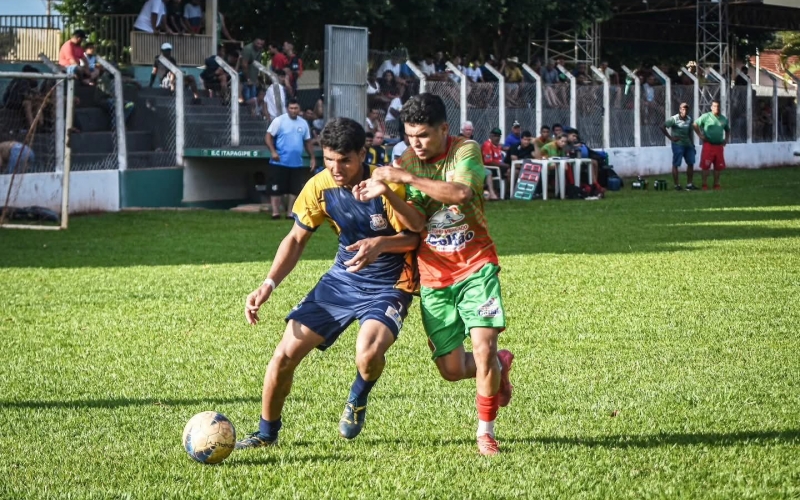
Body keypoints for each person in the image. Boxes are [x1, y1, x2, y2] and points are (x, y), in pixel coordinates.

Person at [236, 117, 419, 449]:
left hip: (390, 282)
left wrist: (379, 244)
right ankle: (266, 435)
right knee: (283, 356)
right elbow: (295, 240)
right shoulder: (320, 186)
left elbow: (414, 237)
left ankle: (358, 395)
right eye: (329, 159)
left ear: (362, 154)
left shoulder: (385, 184)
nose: (336, 168)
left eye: (344, 160)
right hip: (343, 279)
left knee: (368, 354)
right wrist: (268, 284)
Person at [356, 93, 514, 456]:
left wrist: (405, 176)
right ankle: (499, 365)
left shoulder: (465, 151)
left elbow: (459, 193)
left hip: (476, 265)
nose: (416, 144)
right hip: (434, 275)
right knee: (452, 369)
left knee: (482, 346)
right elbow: (417, 223)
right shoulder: (408, 160)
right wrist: (390, 193)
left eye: (424, 136)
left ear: (444, 129)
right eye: (411, 137)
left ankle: (485, 433)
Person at [265, 98, 317, 219]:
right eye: (291, 108)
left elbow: (307, 142)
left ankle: (290, 213)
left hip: (296, 163)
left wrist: (312, 158)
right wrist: (273, 152)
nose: (293, 111)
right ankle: (275, 213)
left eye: (296, 108)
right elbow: (268, 137)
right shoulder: (279, 121)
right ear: (287, 109)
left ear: (299, 110)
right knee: (275, 188)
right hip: (279, 162)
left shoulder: (303, 123)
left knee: (294, 190)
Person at [693, 100, 730, 190]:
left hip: (719, 146)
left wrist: (726, 139)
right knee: (706, 166)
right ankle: (704, 184)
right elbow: (695, 124)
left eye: (718, 106)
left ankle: (716, 184)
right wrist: (700, 135)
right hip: (708, 145)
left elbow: (727, 130)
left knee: (718, 166)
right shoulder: (706, 117)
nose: (716, 108)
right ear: (711, 107)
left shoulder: (723, 119)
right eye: (714, 106)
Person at [660, 102, 697, 191]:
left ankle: (689, 184)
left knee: (691, 163)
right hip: (678, 145)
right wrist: (671, 138)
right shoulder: (674, 119)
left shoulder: (689, 119)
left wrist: (692, 144)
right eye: (683, 109)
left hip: (688, 144)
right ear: (680, 110)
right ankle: (677, 185)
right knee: (676, 164)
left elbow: (690, 132)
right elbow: (662, 126)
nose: (685, 111)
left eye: (686, 109)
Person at [482, 127, 508, 200]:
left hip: (499, 167)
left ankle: (507, 193)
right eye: (495, 136)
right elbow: (488, 161)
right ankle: (503, 193)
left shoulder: (498, 146)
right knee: (509, 171)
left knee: (512, 170)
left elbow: (502, 149)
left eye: (499, 136)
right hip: (490, 167)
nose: (497, 138)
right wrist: (503, 165)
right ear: (491, 136)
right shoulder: (487, 145)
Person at [240, 38, 265, 107]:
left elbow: (257, 64)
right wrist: (248, 79)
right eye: (258, 43)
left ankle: (252, 114)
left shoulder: (260, 50)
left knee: (253, 98)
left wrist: (257, 78)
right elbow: (244, 65)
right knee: (247, 99)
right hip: (245, 78)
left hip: (254, 78)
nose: (259, 45)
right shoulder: (248, 49)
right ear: (254, 42)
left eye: (261, 44)